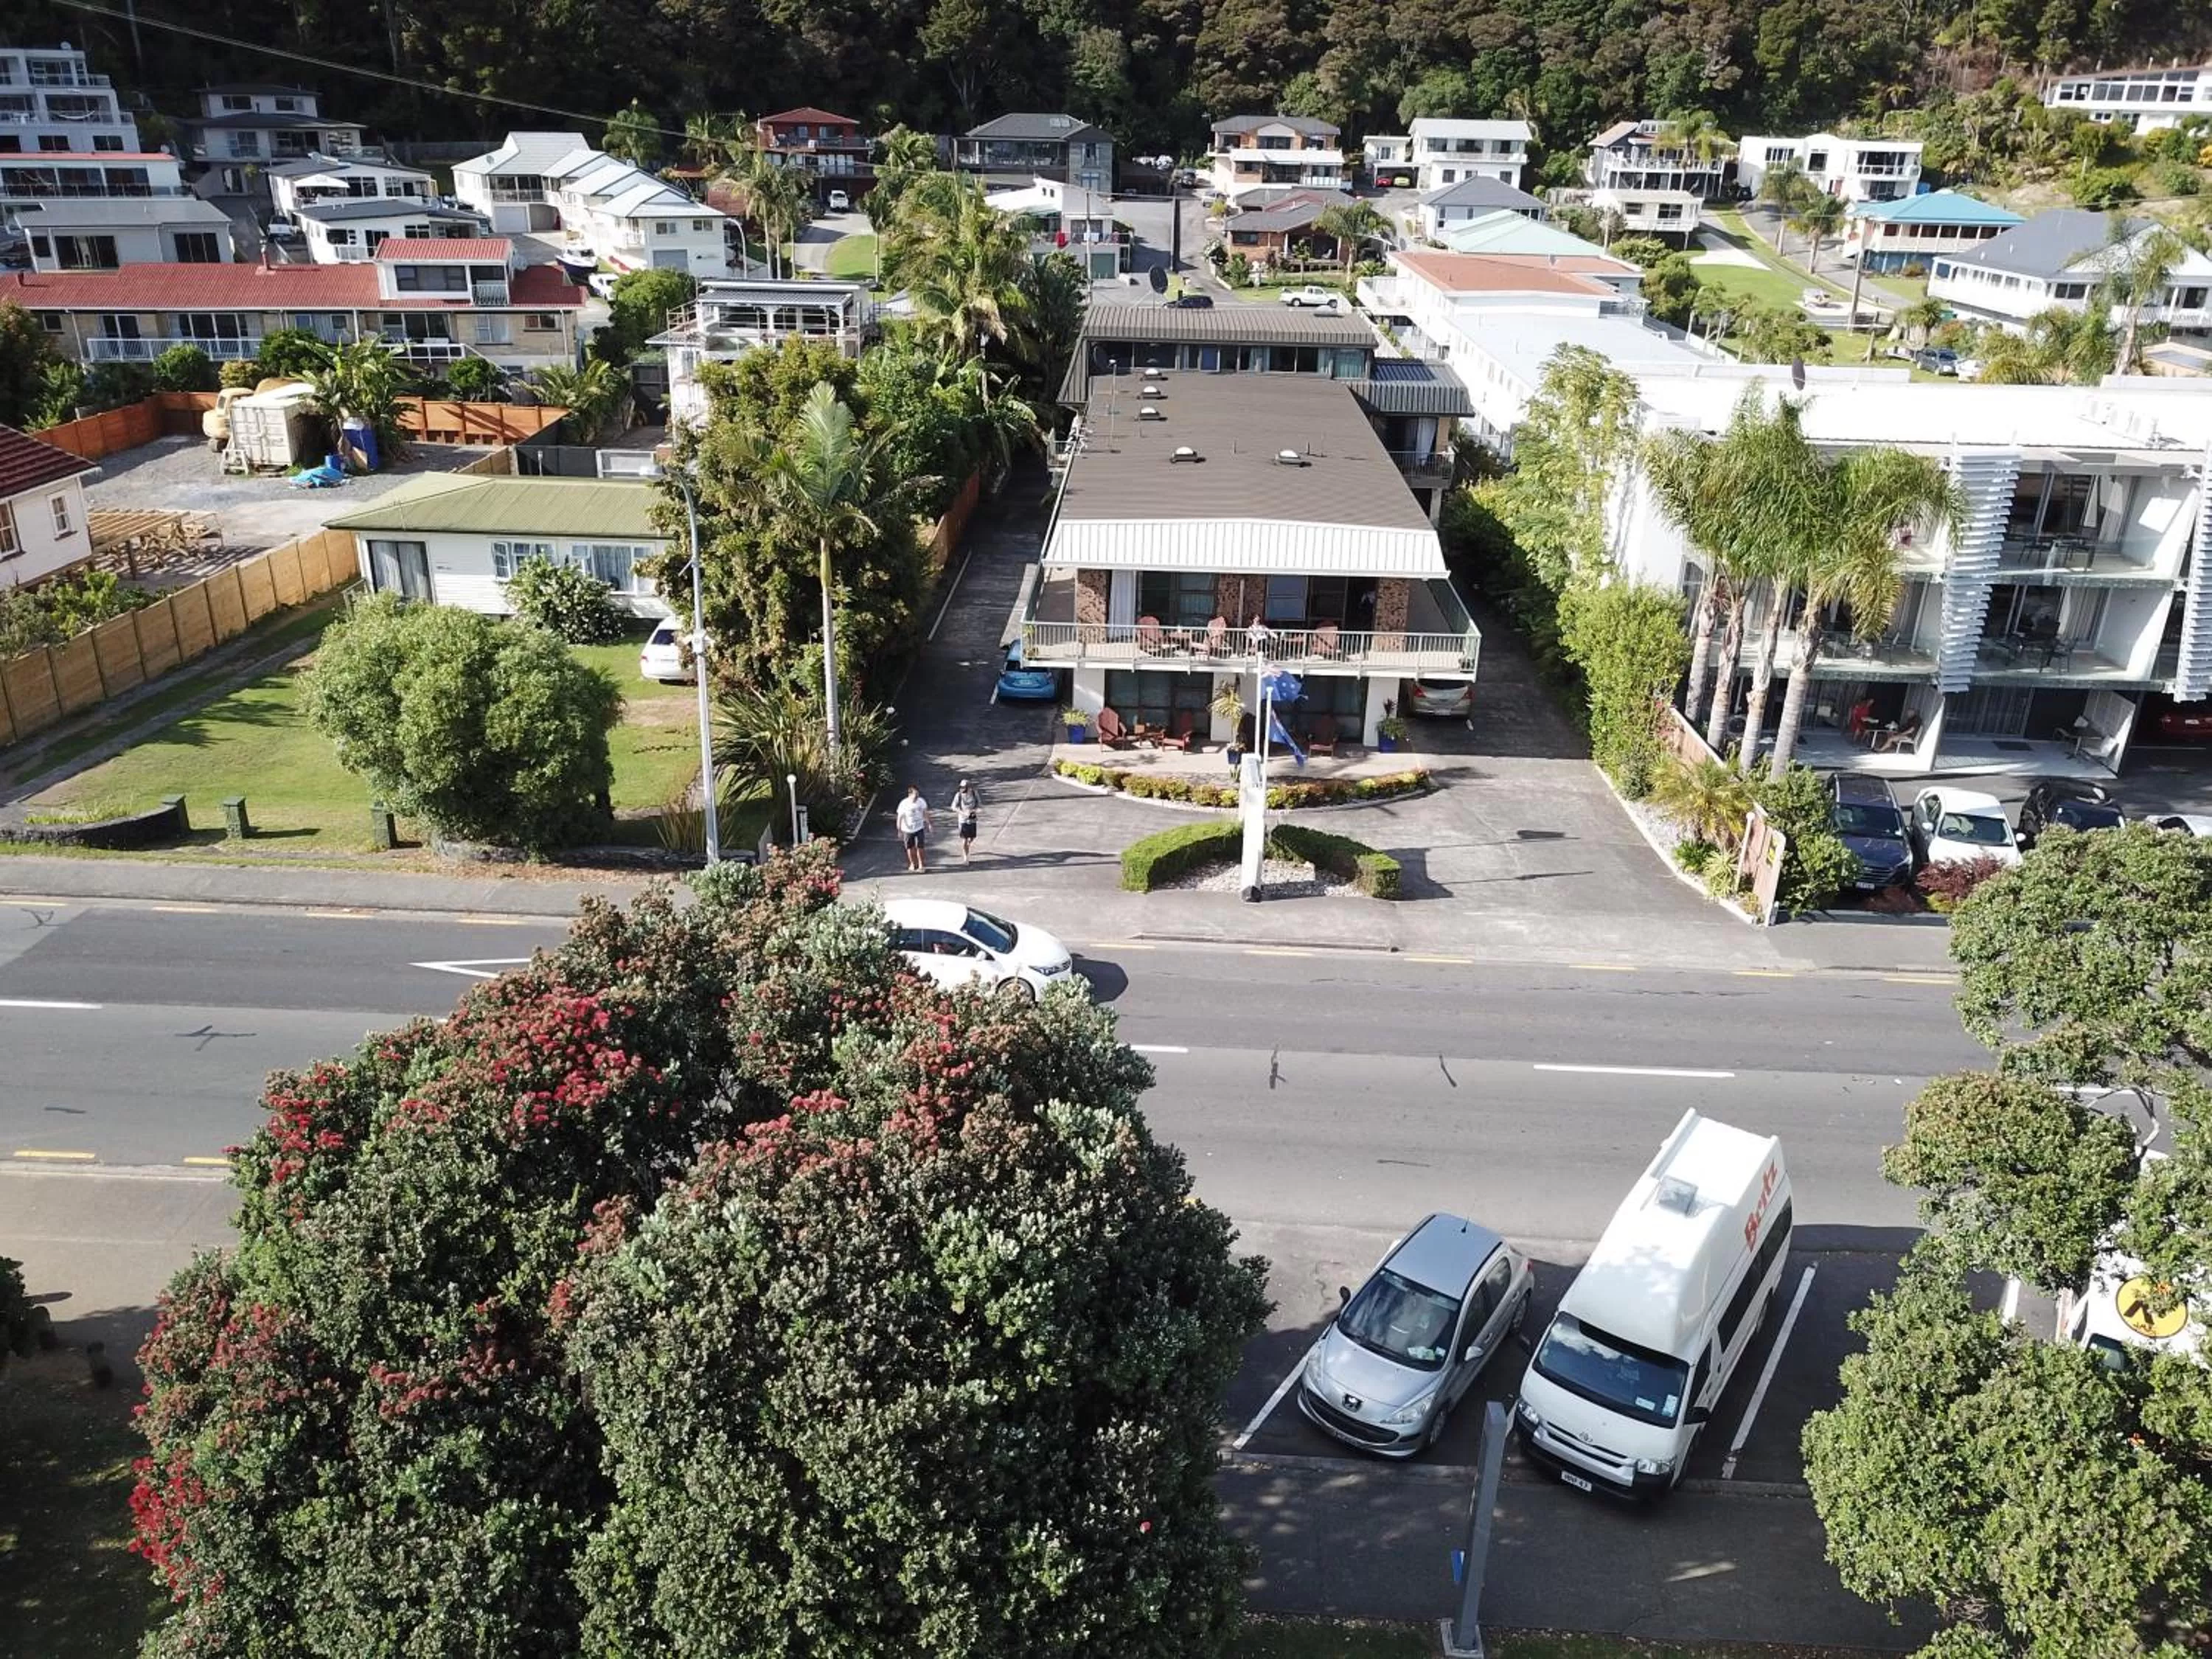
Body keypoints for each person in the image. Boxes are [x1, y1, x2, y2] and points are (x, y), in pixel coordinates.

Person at [895, 785, 930, 873]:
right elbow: (900, 818)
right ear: (910, 794)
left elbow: (925, 813)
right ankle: (913, 864)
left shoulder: (921, 801)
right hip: (908, 829)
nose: (917, 797)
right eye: (915, 795)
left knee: (920, 847)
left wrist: (929, 824)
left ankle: (921, 865)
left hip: (919, 828)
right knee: (910, 848)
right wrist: (899, 830)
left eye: (918, 794)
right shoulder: (904, 804)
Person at [950, 778, 980, 864]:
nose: (963, 789)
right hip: (963, 820)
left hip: (972, 819)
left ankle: (968, 845)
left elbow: (979, 805)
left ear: (969, 787)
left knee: (972, 838)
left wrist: (974, 811)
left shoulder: (974, 794)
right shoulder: (958, 795)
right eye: (962, 787)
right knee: (964, 839)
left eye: (965, 787)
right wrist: (962, 813)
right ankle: (966, 858)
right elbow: (953, 807)